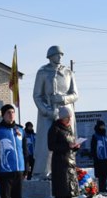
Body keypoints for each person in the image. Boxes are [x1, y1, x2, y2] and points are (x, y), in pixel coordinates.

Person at [32, 45, 79, 179]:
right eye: (57, 55)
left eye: (61, 55)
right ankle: (43, 171)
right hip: (48, 112)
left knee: (68, 140)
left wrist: (63, 98)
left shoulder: (68, 72)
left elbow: (75, 94)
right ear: (50, 56)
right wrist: (46, 111)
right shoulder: (42, 72)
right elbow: (37, 95)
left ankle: (68, 168)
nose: (60, 57)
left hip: (66, 111)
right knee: (46, 142)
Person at [47, 107, 80, 198]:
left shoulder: (69, 128)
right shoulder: (55, 128)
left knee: (69, 193)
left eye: (70, 117)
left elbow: (70, 143)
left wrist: (75, 146)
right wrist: (68, 146)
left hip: (70, 163)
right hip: (60, 164)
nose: (70, 119)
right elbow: (51, 146)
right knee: (61, 193)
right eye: (68, 117)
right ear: (62, 117)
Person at [90, 119, 107, 193]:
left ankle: (104, 187)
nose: (103, 127)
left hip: (105, 158)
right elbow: (93, 147)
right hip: (98, 158)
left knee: (105, 173)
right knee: (99, 174)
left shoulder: (104, 136)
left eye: (103, 126)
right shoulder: (95, 136)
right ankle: (99, 188)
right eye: (101, 126)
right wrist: (94, 156)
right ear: (98, 126)